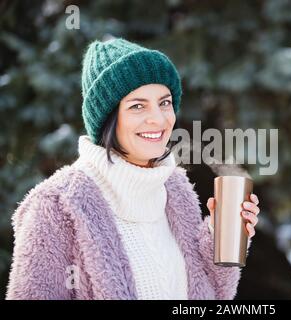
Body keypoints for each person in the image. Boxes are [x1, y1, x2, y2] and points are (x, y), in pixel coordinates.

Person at [6, 38, 260, 300]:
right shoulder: (57, 205)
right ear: (108, 118)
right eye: (137, 106)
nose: (158, 119)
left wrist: (221, 237)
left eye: (164, 102)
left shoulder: (176, 189)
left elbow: (212, 294)